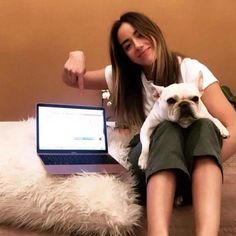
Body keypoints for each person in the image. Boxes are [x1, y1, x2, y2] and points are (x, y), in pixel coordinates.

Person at [63, 11, 236, 236]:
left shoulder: (191, 69)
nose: (137, 45)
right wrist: (75, 55)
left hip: (190, 172)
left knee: (204, 125)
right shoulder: (122, 76)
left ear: (153, 32)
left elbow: (233, 125)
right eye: (127, 45)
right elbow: (73, 80)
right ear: (125, 55)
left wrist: (200, 162)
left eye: (140, 34)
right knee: (166, 128)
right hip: (149, 165)